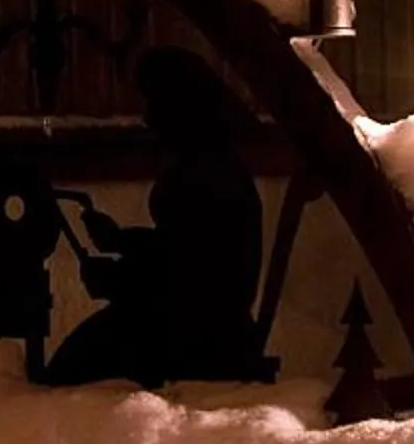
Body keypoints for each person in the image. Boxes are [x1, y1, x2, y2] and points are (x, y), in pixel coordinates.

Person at [44, 47, 266, 388]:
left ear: (181, 110)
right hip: (196, 330)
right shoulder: (213, 169)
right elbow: (182, 249)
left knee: (69, 379)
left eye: (155, 106)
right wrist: (121, 241)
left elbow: (194, 279)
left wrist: (117, 279)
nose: (149, 118)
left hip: (198, 342)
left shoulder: (207, 177)